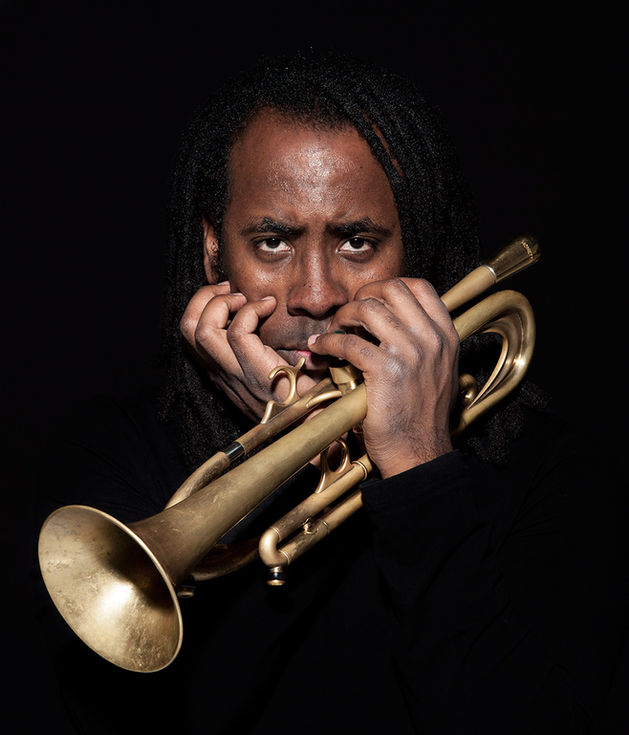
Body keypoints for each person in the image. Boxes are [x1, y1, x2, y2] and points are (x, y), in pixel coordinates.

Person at [34, 50, 628, 734]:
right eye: (273, 242)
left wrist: (420, 470)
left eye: (356, 242)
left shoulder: (556, 475)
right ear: (212, 250)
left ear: (414, 251)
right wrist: (285, 454)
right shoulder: (115, 459)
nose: (315, 295)